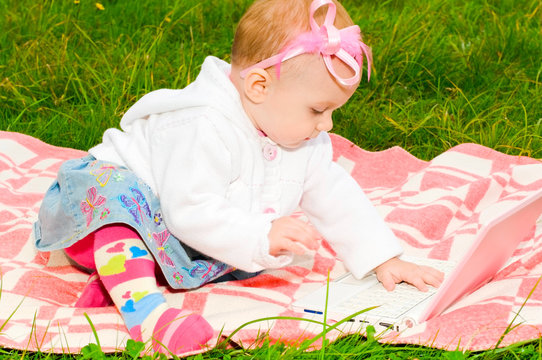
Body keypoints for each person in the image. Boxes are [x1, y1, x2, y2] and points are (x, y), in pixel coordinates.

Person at [34, 0, 444, 355]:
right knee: (122, 213)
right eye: (318, 110)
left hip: (176, 229)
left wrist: (381, 256)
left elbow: (333, 193)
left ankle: (119, 281)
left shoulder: (301, 137)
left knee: (208, 251)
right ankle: (146, 315)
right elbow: (189, 210)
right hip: (97, 212)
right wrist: (259, 236)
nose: (327, 125)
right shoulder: (202, 126)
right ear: (259, 86)